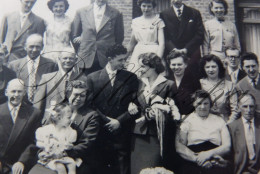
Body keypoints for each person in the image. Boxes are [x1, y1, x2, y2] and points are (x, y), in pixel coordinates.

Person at [25, 80, 100, 174]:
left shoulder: (91, 115)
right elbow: (47, 133)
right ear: (68, 94)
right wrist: (42, 152)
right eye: (76, 94)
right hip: (49, 156)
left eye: (82, 95)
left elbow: (86, 143)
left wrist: (63, 153)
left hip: (75, 157)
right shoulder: (59, 109)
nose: (78, 98)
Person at [86, 44, 139, 174]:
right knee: (100, 167)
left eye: (125, 59)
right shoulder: (92, 78)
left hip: (122, 130)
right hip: (101, 130)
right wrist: (106, 120)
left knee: (122, 169)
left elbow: (136, 104)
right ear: (110, 59)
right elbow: (90, 104)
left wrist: (119, 121)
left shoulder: (131, 78)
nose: (124, 62)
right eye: (120, 60)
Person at [131, 52, 180, 174]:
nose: (140, 69)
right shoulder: (139, 83)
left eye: (142, 66)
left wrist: (159, 114)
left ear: (153, 67)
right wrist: (130, 104)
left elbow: (173, 110)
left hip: (156, 136)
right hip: (138, 135)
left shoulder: (168, 85)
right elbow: (134, 102)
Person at [176, 90, 231, 174]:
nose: (203, 107)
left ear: (210, 105)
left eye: (206, 103)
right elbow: (180, 146)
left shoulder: (219, 120)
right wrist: (199, 160)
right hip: (193, 159)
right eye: (199, 103)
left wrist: (209, 155)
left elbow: (227, 146)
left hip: (215, 159)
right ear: (194, 104)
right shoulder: (187, 120)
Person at [0, 79, 41, 174]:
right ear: (6, 92)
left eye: (19, 91)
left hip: (20, 162)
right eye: (13, 91)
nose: (16, 95)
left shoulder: (33, 113)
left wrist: (22, 161)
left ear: (24, 93)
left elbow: (34, 141)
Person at [72, 0, 124, 75]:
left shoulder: (116, 13)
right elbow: (75, 37)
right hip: (86, 56)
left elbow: (119, 37)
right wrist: (83, 48)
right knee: (84, 84)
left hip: (106, 56)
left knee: (105, 84)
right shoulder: (81, 11)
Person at [34, 47, 86, 114]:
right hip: (50, 119)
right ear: (59, 59)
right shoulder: (47, 78)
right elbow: (37, 104)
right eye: (65, 58)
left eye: (71, 58)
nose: (68, 61)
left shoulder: (82, 78)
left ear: (76, 60)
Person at [160, 0, 204, 77]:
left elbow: (199, 34)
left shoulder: (194, 13)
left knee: (192, 80)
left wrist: (186, 49)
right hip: (172, 53)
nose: (176, 0)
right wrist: (173, 49)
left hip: (191, 53)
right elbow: (164, 35)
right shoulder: (164, 14)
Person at [8, 34, 57, 103]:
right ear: (25, 47)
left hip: (42, 104)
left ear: (42, 47)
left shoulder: (51, 64)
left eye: (37, 47)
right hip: (21, 105)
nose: (34, 50)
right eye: (31, 47)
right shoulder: (14, 65)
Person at [34, 103, 78, 174]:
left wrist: (70, 146)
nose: (71, 120)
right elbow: (38, 143)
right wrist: (45, 145)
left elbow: (69, 145)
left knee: (72, 164)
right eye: (68, 118)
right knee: (61, 167)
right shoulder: (46, 130)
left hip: (62, 156)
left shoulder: (69, 131)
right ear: (59, 117)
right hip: (50, 157)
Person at [127, 0, 165, 74]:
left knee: (152, 74)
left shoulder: (158, 21)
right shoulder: (136, 21)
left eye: (149, 6)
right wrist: (125, 57)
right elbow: (132, 42)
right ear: (140, 6)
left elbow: (162, 43)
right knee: (136, 76)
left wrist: (158, 59)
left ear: (153, 7)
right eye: (144, 6)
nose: (146, 9)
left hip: (153, 51)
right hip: (138, 51)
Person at [199, 54, 238, 123]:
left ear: (219, 67)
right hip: (205, 123)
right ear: (204, 69)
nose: (210, 70)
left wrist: (228, 124)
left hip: (225, 122)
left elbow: (235, 109)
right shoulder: (200, 84)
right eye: (207, 67)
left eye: (213, 66)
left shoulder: (230, 85)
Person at [228, 94, 260, 174]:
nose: (248, 110)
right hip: (241, 171)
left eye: (251, 106)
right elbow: (230, 157)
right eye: (245, 106)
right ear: (239, 107)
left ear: (255, 107)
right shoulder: (232, 128)